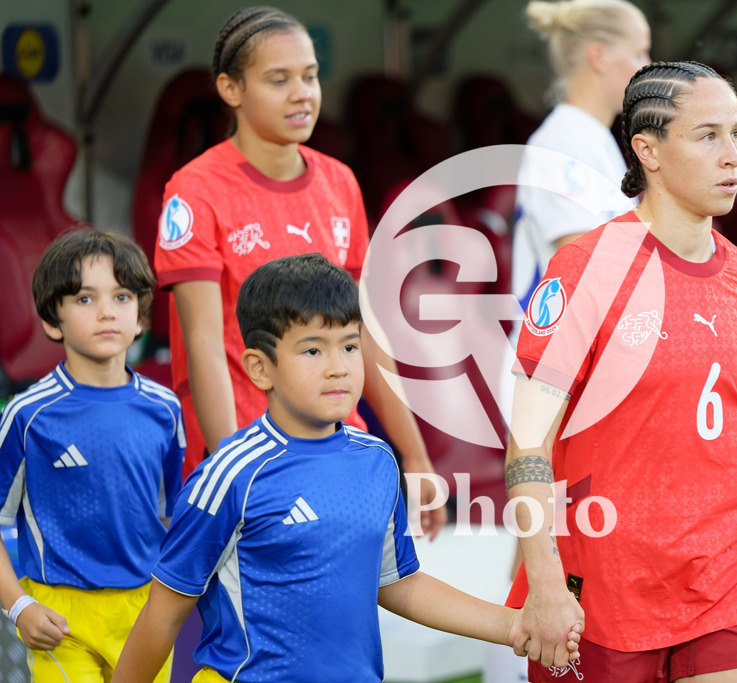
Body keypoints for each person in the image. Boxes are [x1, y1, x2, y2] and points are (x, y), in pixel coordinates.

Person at [111, 254, 580, 683]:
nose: (338, 367)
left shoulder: (375, 460)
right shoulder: (230, 476)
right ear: (260, 368)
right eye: (313, 350)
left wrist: (514, 624)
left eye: (350, 347)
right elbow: (162, 615)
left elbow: (399, 583)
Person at [505, 62, 737, 682]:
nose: (732, 156)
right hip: (606, 588)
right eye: (707, 135)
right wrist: (547, 583)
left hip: (726, 575)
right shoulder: (585, 269)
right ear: (648, 149)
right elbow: (526, 440)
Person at [153, 5, 446, 537]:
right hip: (250, 461)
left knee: (349, 617)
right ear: (230, 88)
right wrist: (231, 471)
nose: (302, 93)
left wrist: (416, 457)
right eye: (278, 79)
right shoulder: (195, 191)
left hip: (339, 457)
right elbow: (201, 346)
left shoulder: (340, 183)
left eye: (310, 76)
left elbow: (365, 337)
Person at [0, 229, 184, 682]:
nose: (106, 311)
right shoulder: (29, 415)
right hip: (61, 615)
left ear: (141, 318)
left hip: (146, 612)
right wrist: (20, 607)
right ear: (52, 320)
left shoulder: (165, 409)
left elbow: (171, 519)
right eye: (84, 299)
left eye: (122, 297)